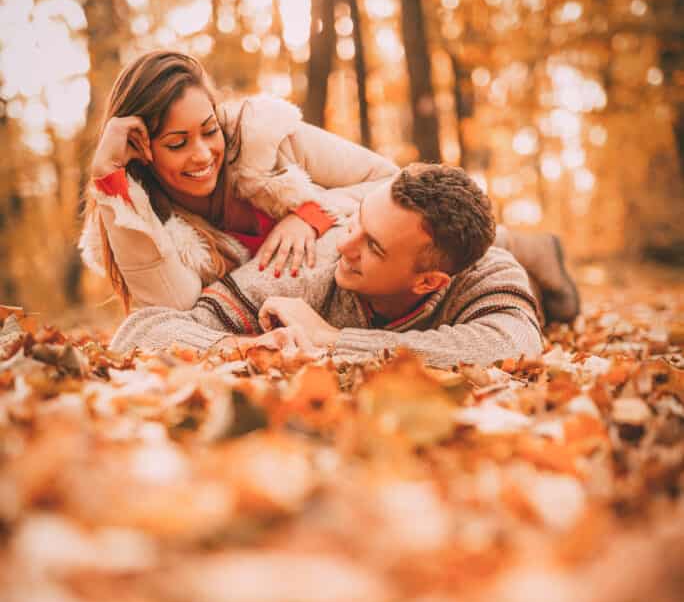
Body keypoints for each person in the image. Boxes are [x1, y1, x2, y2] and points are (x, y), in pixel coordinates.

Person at [81, 50, 579, 367]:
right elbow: (158, 320)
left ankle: (527, 248)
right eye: (177, 142)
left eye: (209, 130)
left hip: (347, 234)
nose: (202, 153)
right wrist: (242, 346)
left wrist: (312, 219)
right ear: (145, 149)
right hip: (290, 265)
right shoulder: (303, 269)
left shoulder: (270, 140)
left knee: (460, 240)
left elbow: (385, 180)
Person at [110, 162, 548, 369]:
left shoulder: (488, 270)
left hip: (505, 270)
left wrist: (332, 339)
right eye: (358, 218)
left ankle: (547, 258)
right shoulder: (303, 262)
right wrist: (251, 346)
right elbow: (141, 330)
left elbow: (515, 344)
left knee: (548, 289)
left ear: (429, 281)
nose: (345, 244)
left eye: (372, 246)